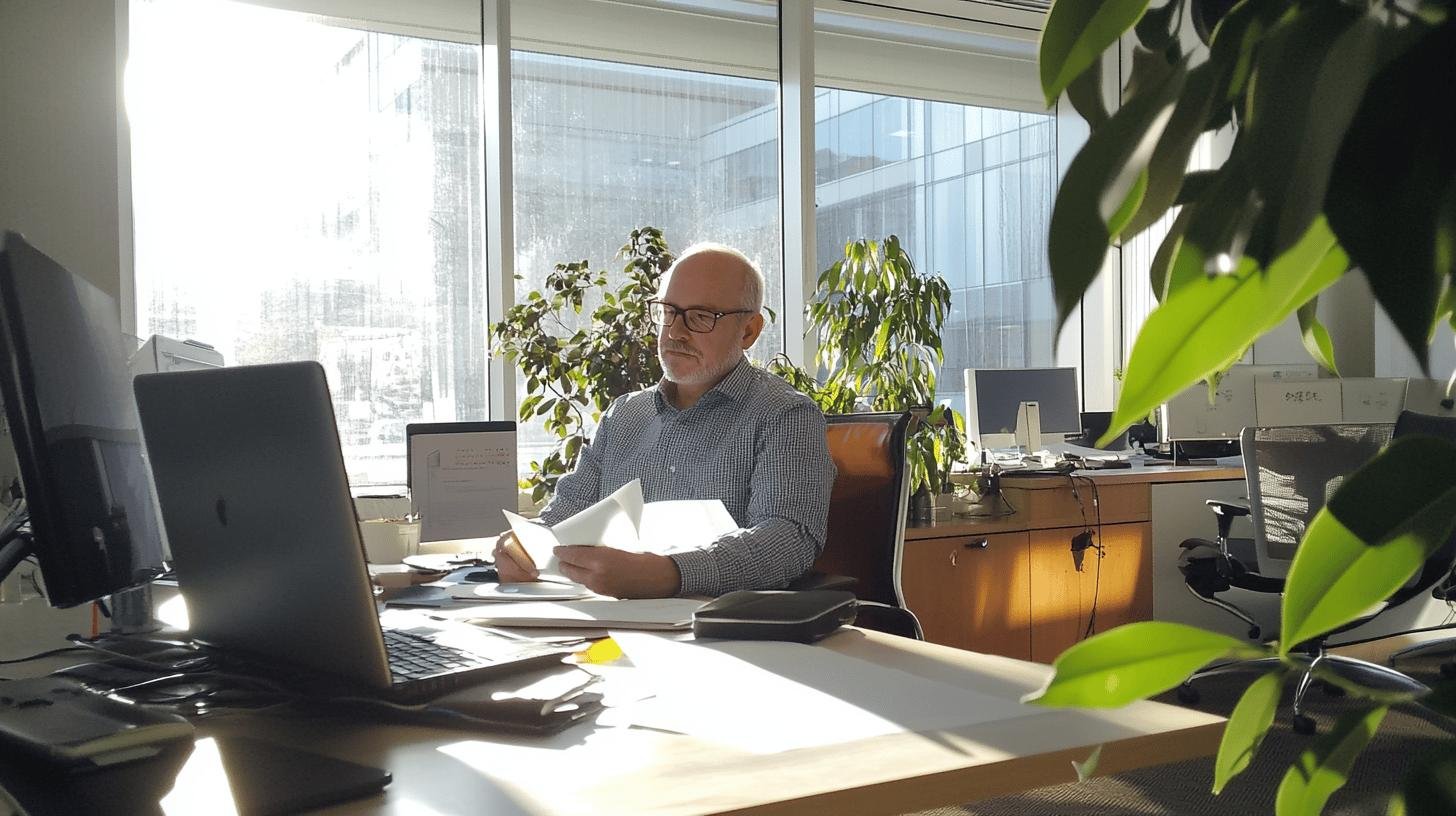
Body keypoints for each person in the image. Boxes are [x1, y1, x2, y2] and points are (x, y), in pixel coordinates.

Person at [494, 243, 835, 598]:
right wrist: (525, 546)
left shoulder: (784, 415)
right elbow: (564, 515)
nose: (674, 332)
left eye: (701, 316)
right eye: (668, 312)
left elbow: (788, 539)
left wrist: (669, 574)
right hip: (602, 624)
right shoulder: (624, 414)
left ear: (749, 331)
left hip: (717, 633)